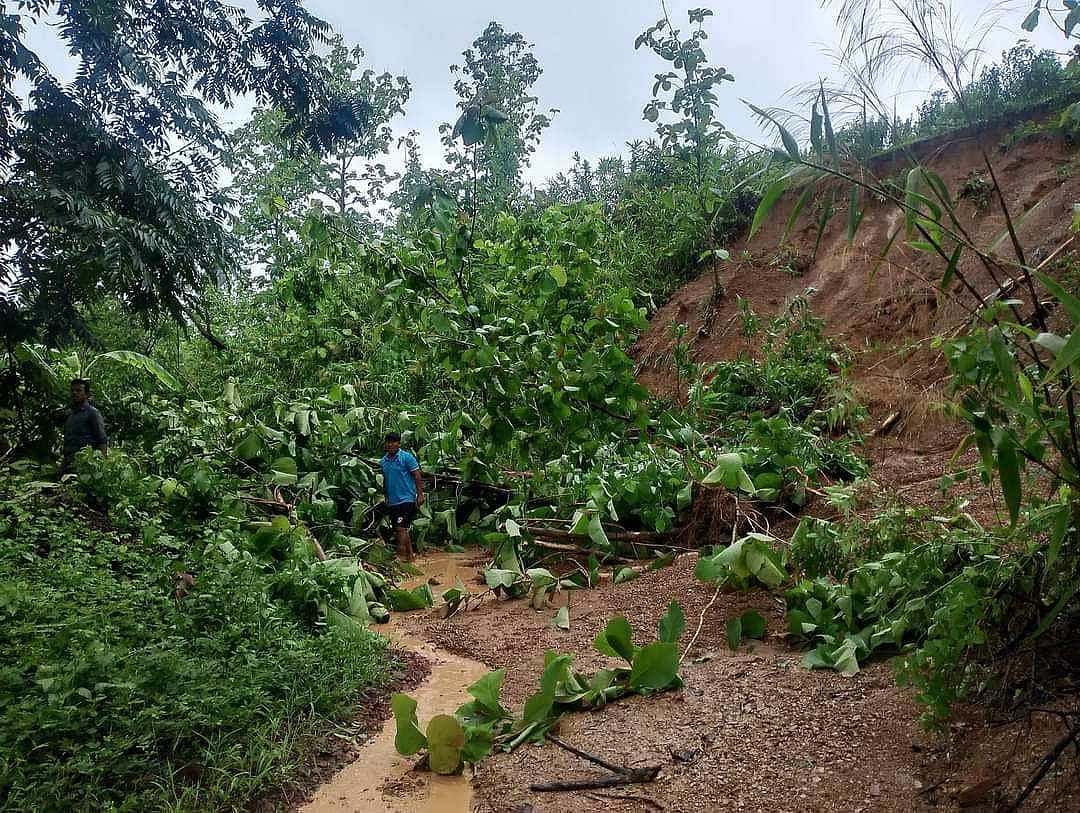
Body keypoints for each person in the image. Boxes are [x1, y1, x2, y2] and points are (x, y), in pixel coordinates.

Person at [379, 432, 424, 561]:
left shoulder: (407, 458)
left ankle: (400, 555)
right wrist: (386, 496)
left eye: (393, 442)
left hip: (407, 499)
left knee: (400, 527)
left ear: (399, 443)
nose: (390, 444)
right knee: (401, 529)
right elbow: (386, 480)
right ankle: (410, 556)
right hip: (393, 501)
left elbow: (417, 475)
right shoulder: (383, 462)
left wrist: (420, 494)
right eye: (388, 442)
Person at [62, 378, 107, 470]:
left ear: (86, 394)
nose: (74, 393)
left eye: (78, 390)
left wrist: (103, 466)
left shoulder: (92, 413)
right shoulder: (71, 416)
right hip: (69, 464)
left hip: (85, 465)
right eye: (72, 391)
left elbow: (102, 441)